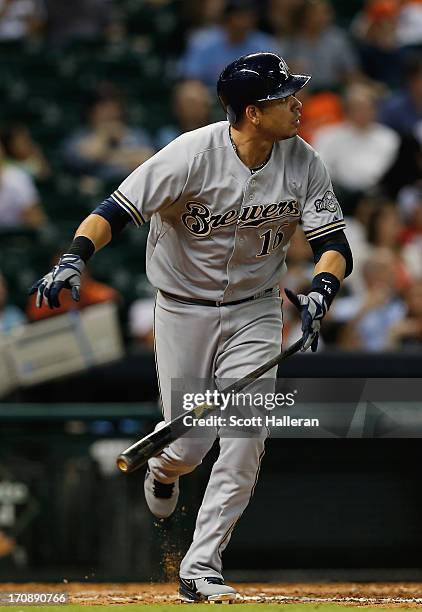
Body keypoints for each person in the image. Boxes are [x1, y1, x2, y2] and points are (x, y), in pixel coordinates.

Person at [29, 52, 353, 602]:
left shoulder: (304, 161)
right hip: (182, 308)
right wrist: (74, 256)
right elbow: (116, 208)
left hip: (256, 307)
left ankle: (201, 567)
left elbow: (332, 245)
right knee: (191, 444)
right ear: (252, 112)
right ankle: (164, 467)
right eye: (284, 97)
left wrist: (323, 290)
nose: (297, 103)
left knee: (247, 437)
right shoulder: (190, 154)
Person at [181, 0, 280, 88]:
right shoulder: (203, 41)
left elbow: (276, 77)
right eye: (239, 15)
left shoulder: (264, 44)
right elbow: (191, 77)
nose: (245, 20)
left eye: (248, 15)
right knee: (190, 92)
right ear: (227, 18)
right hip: (211, 97)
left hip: (253, 97)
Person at [155, 80, 213, 150]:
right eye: (191, 103)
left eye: (201, 103)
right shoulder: (167, 137)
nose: (197, 109)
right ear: (177, 107)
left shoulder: (218, 135)